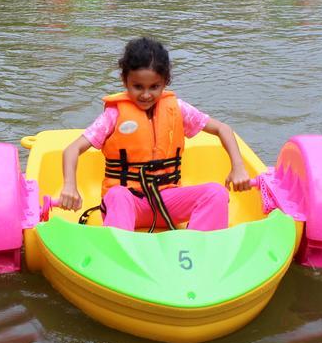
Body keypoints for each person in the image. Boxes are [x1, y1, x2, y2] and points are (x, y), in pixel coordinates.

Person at [56, 37, 250, 233]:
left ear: (165, 82)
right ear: (125, 81)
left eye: (154, 87)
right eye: (138, 86)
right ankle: (120, 251)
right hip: (129, 204)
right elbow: (72, 149)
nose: (146, 94)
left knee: (216, 193)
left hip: (168, 203)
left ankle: (198, 248)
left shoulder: (178, 109)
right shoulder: (113, 115)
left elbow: (222, 129)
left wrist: (238, 167)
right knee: (117, 195)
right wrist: (70, 186)